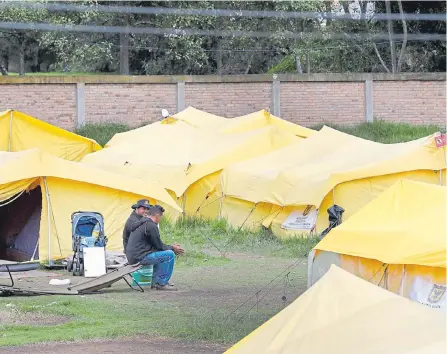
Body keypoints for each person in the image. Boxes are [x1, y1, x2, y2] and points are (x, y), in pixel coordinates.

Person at [126, 205, 184, 291]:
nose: (161, 219)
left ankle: (156, 282)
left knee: (161, 254)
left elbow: (156, 245)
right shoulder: (151, 225)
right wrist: (172, 248)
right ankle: (161, 283)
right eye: (161, 216)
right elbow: (159, 246)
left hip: (133, 256)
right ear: (157, 215)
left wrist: (170, 246)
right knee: (169, 255)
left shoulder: (142, 223)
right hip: (139, 257)